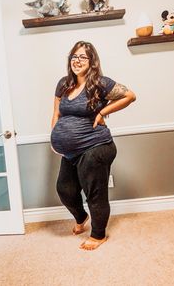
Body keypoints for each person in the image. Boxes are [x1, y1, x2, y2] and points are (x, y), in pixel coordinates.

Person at [51, 41, 136, 251]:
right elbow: (56, 114)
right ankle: (81, 217)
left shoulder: (100, 83)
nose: (77, 61)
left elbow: (130, 96)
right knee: (64, 190)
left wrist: (102, 112)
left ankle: (98, 235)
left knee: (95, 193)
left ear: (92, 61)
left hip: (96, 146)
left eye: (82, 57)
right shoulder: (63, 84)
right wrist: (55, 138)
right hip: (71, 151)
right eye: (74, 56)